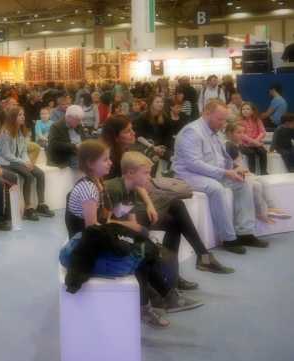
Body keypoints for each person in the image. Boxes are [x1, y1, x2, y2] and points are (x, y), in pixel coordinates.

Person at [64, 140, 176, 328]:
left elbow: (102, 222)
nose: (110, 163)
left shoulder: (97, 184)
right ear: (91, 163)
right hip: (83, 244)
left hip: (92, 238)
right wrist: (126, 234)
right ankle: (147, 305)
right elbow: (92, 229)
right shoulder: (89, 189)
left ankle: (159, 295)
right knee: (138, 253)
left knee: (142, 246)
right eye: (105, 160)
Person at [101, 115, 231, 276]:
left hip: (130, 205)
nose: (133, 133)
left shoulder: (124, 153)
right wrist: (141, 208)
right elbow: (114, 199)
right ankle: (195, 261)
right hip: (121, 213)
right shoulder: (108, 160)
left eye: (132, 129)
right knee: (176, 210)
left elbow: (134, 184)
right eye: (128, 131)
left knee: (175, 217)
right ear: (116, 135)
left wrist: (148, 203)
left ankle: (175, 274)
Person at [173, 99, 268, 254]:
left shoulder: (214, 132)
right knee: (215, 188)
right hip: (189, 175)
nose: (223, 123)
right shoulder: (192, 132)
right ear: (206, 113)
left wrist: (235, 168)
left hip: (212, 172)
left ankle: (245, 232)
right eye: (220, 119)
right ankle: (228, 239)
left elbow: (222, 158)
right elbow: (193, 164)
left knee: (243, 183)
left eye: (224, 119)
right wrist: (225, 172)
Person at [0, 107, 54, 221]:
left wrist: (27, 161)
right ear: (13, 118)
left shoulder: (21, 131)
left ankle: (41, 204)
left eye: (23, 114)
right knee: (28, 176)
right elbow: (6, 154)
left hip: (18, 160)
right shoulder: (5, 132)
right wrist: (24, 162)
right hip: (6, 162)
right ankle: (28, 208)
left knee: (40, 173)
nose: (23, 117)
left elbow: (23, 151)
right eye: (19, 115)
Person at [224, 123, 290, 223]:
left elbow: (239, 164)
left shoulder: (236, 145)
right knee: (257, 185)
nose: (242, 135)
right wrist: (244, 172)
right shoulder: (229, 145)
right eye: (238, 132)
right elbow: (230, 165)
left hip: (240, 173)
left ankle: (271, 208)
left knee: (263, 181)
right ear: (229, 134)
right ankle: (261, 212)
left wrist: (247, 172)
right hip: (233, 175)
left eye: (243, 132)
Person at [238, 102, 268, 175]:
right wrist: (253, 142)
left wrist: (256, 141)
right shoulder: (239, 121)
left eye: (248, 109)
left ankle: (264, 172)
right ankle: (252, 173)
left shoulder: (257, 120)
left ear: (252, 111)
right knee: (251, 153)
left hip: (256, 143)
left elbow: (263, 132)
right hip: (244, 144)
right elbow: (242, 135)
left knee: (263, 152)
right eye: (243, 109)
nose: (245, 110)